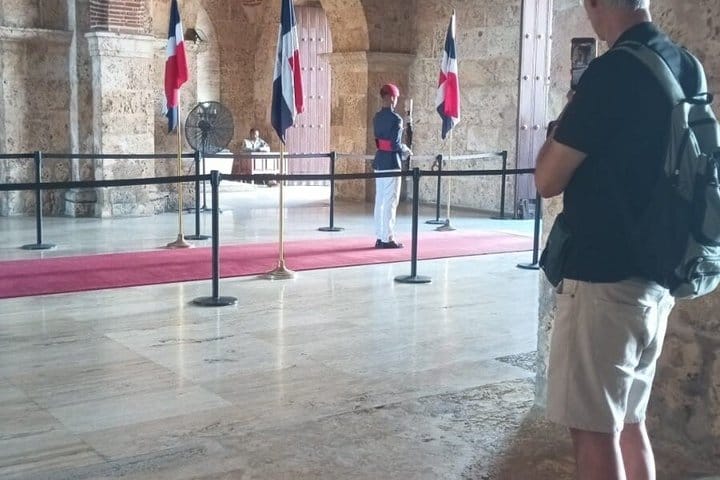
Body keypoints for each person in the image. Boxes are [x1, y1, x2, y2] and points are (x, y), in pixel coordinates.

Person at [534, 1, 703, 479]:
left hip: (603, 279)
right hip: (657, 277)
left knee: (594, 433)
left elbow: (547, 179)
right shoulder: (685, 64)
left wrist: (568, 112)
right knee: (630, 422)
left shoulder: (611, 73)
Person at [372, 83, 411, 249]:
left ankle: (380, 236)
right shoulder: (396, 119)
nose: (396, 100)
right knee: (390, 201)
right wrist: (405, 149)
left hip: (380, 161)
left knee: (380, 200)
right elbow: (395, 144)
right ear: (391, 98)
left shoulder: (377, 117)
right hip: (391, 162)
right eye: (395, 97)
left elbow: (379, 141)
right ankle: (387, 237)